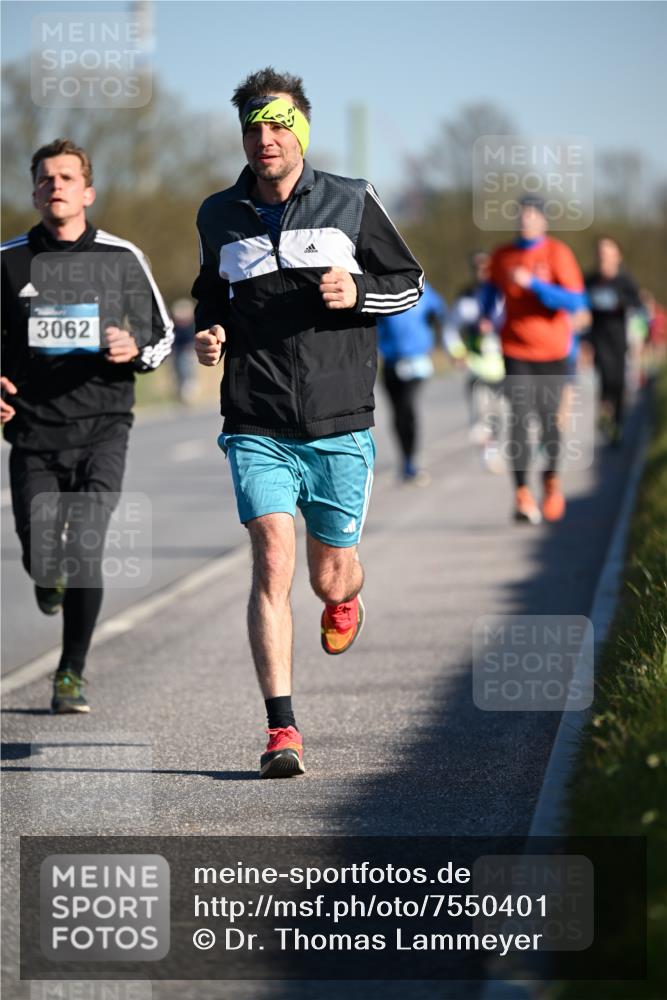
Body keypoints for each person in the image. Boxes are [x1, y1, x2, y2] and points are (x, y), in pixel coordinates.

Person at [192, 67, 423, 778]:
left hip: (337, 421)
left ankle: (347, 596)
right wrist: (209, 330)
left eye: (277, 125)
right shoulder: (217, 212)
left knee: (327, 579)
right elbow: (211, 289)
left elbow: (407, 284)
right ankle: (281, 730)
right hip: (255, 417)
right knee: (271, 562)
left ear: (301, 131)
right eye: (253, 127)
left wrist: (356, 291)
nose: (265, 138)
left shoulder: (351, 200)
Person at [1, 138, 173, 712]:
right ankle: (43, 577)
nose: (57, 186)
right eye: (47, 178)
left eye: (67, 178)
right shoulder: (9, 259)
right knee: (42, 555)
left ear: (87, 191)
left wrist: (133, 348)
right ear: (34, 191)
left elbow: (162, 335)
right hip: (33, 434)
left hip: (103, 427)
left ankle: (70, 673)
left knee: (86, 550)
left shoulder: (122, 256)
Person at [485, 195, 586, 523]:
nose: (525, 219)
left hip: (554, 352)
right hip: (515, 350)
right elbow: (489, 292)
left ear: (543, 220)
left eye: (532, 214)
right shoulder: (502, 256)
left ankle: (551, 481)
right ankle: (522, 493)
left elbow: (574, 300)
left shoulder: (557, 253)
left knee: (549, 423)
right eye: (521, 213)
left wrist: (536, 286)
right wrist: (485, 315)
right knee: (517, 418)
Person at [376, 280, 445, 485]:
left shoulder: (421, 288)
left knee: (408, 409)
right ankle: (405, 460)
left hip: (416, 362)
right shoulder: (380, 288)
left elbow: (439, 311)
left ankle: (412, 462)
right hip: (391, 362)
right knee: (398, 414)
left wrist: (429, 336)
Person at [444, 251, 505, 473]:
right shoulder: (466, 298)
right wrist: (458, 352)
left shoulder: (503, 294)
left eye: (487, 268)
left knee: (498, 413)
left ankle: (494, 446)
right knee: (481, 412)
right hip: (477, 364)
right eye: (479, 268)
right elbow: (450, 328)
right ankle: (487, 452)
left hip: (501, 364)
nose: (483, 273)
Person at [584, 237, 642, 445]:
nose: (604, 258)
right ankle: (605, 413)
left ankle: (617, 423)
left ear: (618, 256)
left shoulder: (625, 281)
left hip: (619, 336)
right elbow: (580, 304)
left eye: (608, 253)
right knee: (605, 377)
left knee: (617, 382)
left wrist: (621, 302)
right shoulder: (590, 280)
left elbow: (638, 303)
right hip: (597, 337)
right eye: (600, 253)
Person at [170, 297, 198, 404]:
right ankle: (181, 393)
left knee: (187, 372)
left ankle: (188, 393)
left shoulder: (192, 326)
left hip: (188, 352)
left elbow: (193, 338)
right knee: (178, 373)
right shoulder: (175, 327)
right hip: (178, 352)